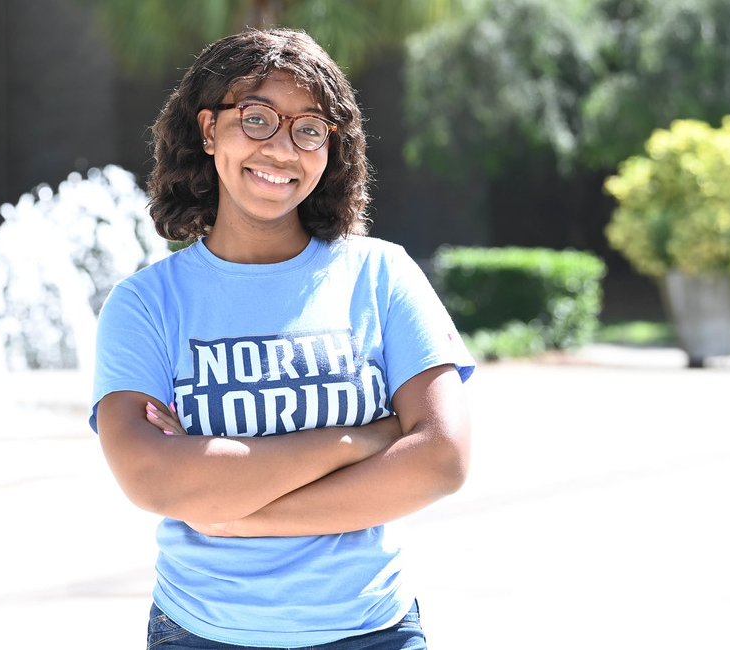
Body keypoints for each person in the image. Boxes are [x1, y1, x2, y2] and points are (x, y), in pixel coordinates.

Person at [91, 28, 475, 649]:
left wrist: (239, 516)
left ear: (331, 151)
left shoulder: (381, 275)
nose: (283, 149)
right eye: (259, 118)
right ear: (210, 129)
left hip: (371, 632)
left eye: (309, 129)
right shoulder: (145, 305)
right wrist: (365, 438)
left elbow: (442, 458)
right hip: (202, 633)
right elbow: (154, 479)